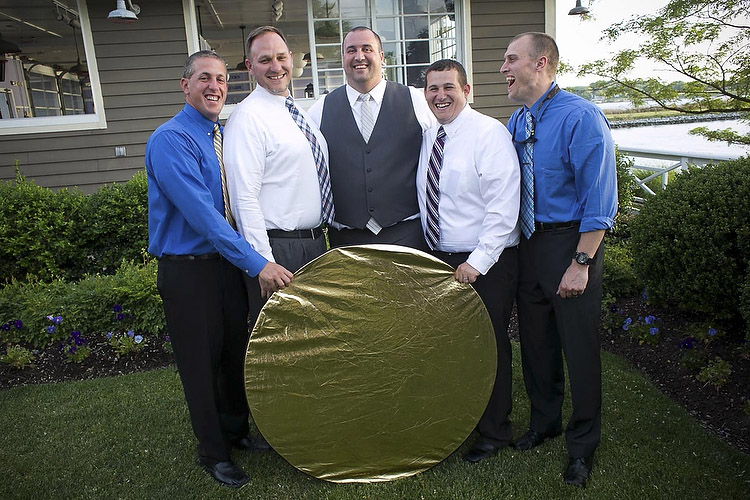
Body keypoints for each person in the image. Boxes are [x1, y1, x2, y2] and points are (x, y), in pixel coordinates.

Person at [145, 50, 293, 488]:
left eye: (223, 80)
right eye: (205, 78)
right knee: (201, 364)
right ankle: (212, 452)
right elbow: (205, 217)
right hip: (189, 272)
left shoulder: (222, 135)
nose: (215, 86)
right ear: (184, 85)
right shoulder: (171, 140)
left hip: (224, 267)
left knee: (234, 355)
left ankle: (236, 431)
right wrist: (257, 264)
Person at [501, 32, 618, 488]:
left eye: (512, 60)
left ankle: (583, 444)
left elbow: (600, 198)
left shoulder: (582, 116)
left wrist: (582, 262)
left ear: (541, 62)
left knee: (580, 348)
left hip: (571, 244)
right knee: (535, 342)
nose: (504, 69)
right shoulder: (517, 120)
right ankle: (544, 422)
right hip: (528, 246)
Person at [416, 59, 521, 463]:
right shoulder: (430, 135)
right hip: (441, 260)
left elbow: (503, 206)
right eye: (432, 89)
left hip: (483, 262)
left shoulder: (488, 134)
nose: (440, 95)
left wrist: (477, 262)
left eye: (448, 87)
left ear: (467, 89)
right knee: (452, 350)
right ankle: (459, 421)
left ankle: (496, 432)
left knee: (488, 347)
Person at [224, 26, 332, 319]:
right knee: (284, 345)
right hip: (279, 251)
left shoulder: (296, 112)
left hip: (312, 245)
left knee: (314, 338)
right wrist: (263, 262)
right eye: (265, 60)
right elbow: (243, 198)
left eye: (281, 57)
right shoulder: (248, 118)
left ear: (292, 58)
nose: (276, 66)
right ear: (249, 67)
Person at [308, 26, 435, 249]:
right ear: (343, 58)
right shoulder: (320, 109)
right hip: (347, 242)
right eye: (351, 50)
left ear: (381, 56)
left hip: (406, 236)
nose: (359, 57)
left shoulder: (415, 100)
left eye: (367, 49)